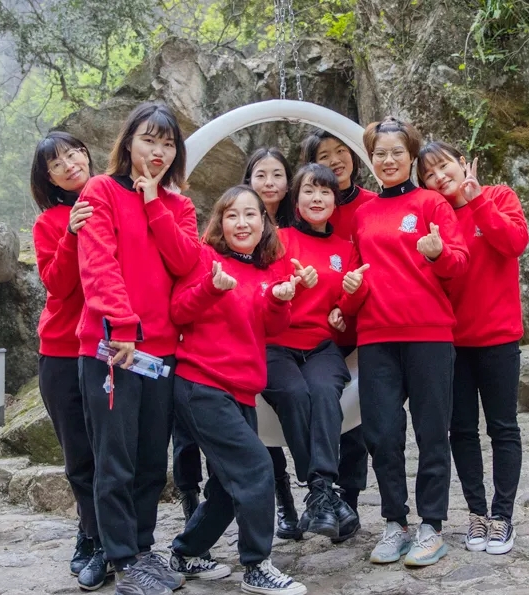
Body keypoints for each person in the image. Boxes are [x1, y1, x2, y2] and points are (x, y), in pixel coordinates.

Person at [76, 102, 200, 594]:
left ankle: (143, 550)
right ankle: (123, 560)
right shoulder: (100, 190)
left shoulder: (179, 206)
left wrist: (153, 203)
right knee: (115, 459)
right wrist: (123, 325)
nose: (158, 152)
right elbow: (98, 264)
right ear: (128, 142)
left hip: (161, 354)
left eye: (168, 144)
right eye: (149, 140)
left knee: (151, 459)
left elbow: (186, 262)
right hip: (112, 348)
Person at [341, 116, 469, 568]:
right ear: (371, 159)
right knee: (381, 434)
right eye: (380, 153)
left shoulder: (432, 203)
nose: (388, 160)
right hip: (376, 337)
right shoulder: (363, 213)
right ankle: (394, 522)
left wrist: (438, 253)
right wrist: (348, 293)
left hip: (428, 333)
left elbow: (458, 263)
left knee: (432, 431)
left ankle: (431, 526)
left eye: (397, 152)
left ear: (411, 156)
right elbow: (352, 282)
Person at [167, 185, 307, 595]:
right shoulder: (203, 258)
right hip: (201, 384)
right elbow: (178, 311)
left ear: (264, 223)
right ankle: (257, 565)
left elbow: (272, 328)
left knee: (230, 485)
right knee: (256, 468)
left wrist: (280, 300)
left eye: (250, 214)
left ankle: (187, 551)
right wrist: (211, 288)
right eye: (232, 215)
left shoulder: (267, 270)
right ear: (220, 222)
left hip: (243, 389)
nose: (242, 223)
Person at [417, 141, 528, 555]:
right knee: (461, 431)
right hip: (452, 342)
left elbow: (514, 243)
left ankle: (502, 516)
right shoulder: (435, 219)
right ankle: (477, 514)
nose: (439, 177)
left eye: (443, 166)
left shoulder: (499, 196)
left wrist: (478, 200)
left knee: (503, 427)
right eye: (429, 175)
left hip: (499, 338)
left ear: (462, 163)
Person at [261, 163, 363, 544]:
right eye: (309, 190)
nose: (317, 198)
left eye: (325, 192)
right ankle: (324, 492)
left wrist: (345, 305)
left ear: (335, 201)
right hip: (276, 345)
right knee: (293, 393)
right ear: (296, 198)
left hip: (321, 346)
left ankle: (319, 493)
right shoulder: (277, 239)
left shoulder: (346, 250)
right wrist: (291, 286)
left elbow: (348, 305)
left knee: (323, 391)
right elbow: (261, 289)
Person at [299, 130, 376, 535]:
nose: (335, 160)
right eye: (323, 155)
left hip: (361, 323)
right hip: (317, 333)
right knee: (320, 403)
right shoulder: (303, 215)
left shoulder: (372, 204)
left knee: (357, 419)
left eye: (340, 150)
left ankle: (349, 499)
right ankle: (318, 495)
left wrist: (348, 305)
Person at [30, 131, 98, 578]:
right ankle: (90, 535)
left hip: (111, 347)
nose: (70, 164)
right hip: (62, 350)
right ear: (50, 180)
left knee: (114, 451)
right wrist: (72, 232)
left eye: (73, 153)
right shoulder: (50, 223)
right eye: (57, 164)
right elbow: (57, 285)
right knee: (79, 453)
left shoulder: (116, 200)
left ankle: (115, 537)